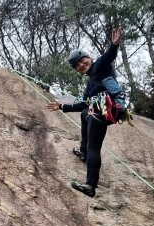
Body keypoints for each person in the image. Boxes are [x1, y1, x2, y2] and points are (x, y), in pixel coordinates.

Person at [47, 27, 125, 198]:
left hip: (107, 109)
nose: (82, 65)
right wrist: (62, 107)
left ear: (89, 58)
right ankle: (82, 151)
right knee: (84, 114)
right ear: (77, 70)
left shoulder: (101, 65)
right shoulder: (90, 86)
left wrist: (114, 45)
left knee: (93, 148)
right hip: (103, 112)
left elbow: (109, 55)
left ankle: (90, 185)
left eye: (83, 61)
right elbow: (83, 104)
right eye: (78, 66)